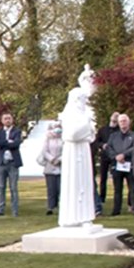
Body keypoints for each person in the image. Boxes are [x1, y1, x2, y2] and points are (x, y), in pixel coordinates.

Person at [58, 77, 97, 228]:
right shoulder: (69, 114)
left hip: (83, 150)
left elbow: (91, 135)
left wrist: (88, 129)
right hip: (73, 152)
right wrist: (87, 126)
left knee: (84, 183)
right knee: (74, 183)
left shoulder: (83, 114)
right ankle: (72, 217)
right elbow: (71, 135)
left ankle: (85, 216)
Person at [106, 113, 134, 216]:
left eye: (124, 121)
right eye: (120, 121)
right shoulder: (113, 136)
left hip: (130, 164)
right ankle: (116, 210)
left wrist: (124, 154)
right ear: (118, 123)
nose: (123, 123)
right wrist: (116, 156)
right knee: (117, 189)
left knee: (133, 188)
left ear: (128, 122)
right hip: (117, 165)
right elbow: (108, 148)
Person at [0, 111, 22, 216]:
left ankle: (15, 210)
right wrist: (7, 142)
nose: (7, 120)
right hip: (1, 163)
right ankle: (0, 209)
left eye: (9, 118)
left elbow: (16, 144)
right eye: (5, 118)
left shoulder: (17, 131)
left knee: (13, 187)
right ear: (2, 121)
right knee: (1, 187)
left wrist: (3, 144)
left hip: (13, 162)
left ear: (12, 120)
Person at [36, 120, 63, 216]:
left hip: (61, 166)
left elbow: (67, 151)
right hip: (49, 167)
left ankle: (61, 206)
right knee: (51, 189)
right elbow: (44, 151)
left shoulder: (64, 139)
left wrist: (59, 159)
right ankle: (50, 207)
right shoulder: (47, 139)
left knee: (61, 188)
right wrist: (52, 159)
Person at [95, 111, 120, 206]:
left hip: (114, 156)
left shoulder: (118, 131)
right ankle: (102, 197)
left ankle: (116, 197)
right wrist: (102, 145)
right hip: (104, 156)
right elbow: (97, 141)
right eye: (114, 118)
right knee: (103, 177)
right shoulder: (103, 130)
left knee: (115, 177)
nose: (114, 120)